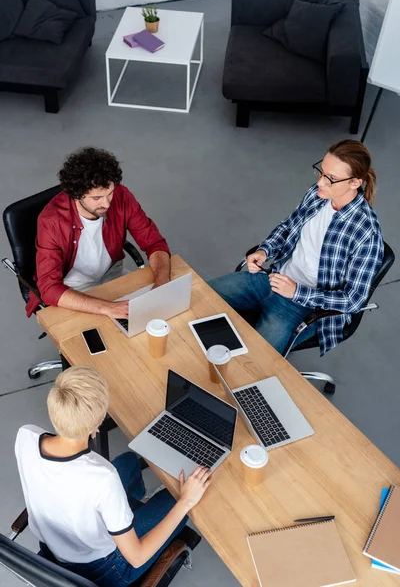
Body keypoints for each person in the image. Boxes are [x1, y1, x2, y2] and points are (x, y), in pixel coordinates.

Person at [15, 366, 211, 587]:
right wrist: (185, 502)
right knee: (176, 498)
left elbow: (64, 477)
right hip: (106, 569)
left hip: (54, 548)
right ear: (97, 424)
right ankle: (130, 518)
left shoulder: (26, 436)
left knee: (127, 462)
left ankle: (125, 517)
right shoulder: (101, 477)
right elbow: (137, 557)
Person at [208, 139, 384, 357]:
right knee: (199, 296)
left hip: (304, 305)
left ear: (355, 183)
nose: (321, 182)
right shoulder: (318, 195)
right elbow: (288, 227)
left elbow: (354, 299)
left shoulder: (366, 233)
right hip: (272, 280)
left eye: (331, 179)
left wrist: (297, 291)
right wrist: (265, 251)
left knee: (253, 361)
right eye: (321, 172)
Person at [26, 147, 171, 319]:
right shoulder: (51, 221)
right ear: (77, 195)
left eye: (109, 193)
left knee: (154, 320)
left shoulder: (121, 195)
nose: (107, 204)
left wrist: (162, 286)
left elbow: (154, 243)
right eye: (97, 198)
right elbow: (49, 288)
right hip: (72, 287)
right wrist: (108, 308)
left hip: (111, 273)